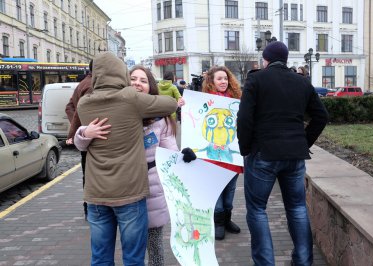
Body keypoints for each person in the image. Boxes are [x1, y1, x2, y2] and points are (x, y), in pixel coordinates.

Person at [74, 65, 195, 266]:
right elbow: (82, 145)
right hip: (122, 190)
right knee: (126, 250)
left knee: (154, 247)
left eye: (143, 80)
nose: (137, 83)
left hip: (152, 189)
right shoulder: (113, 111)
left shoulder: (161, 119)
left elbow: (170, 152)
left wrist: (185, 156)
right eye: (133, 79)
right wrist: (85, 133)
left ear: (150, 87)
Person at [237, 41, 328, 266]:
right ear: (286, 60)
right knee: (297, 208)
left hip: (263, 154)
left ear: (265, 60)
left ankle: (265, 263)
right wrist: (303, 143)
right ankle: (303, 261)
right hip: (295, 156)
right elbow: (321, 116)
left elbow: (244, 118)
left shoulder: (256, 79)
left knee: (257, 210)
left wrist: (246, 149)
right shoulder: (302, 82)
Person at [202, 66, 243, 241]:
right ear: (211, 81)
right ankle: (218, 222)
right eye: (219, 79)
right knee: (216, 192)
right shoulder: (204, 101)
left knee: (230, 192)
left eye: (225, 78)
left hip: (231, 157)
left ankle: (227, 220)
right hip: (212, 159)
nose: (223, 82)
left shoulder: (236, 101)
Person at [64, 59, 93, 220]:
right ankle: (90, 209)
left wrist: (76, 128)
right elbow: (79, 110)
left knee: (86, 174)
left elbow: (69, 107)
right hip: (92, 139)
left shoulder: (82, 83)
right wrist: (84, 126)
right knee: (91, 175)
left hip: (85, 138)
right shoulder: (91, 85)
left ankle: (88, 208)